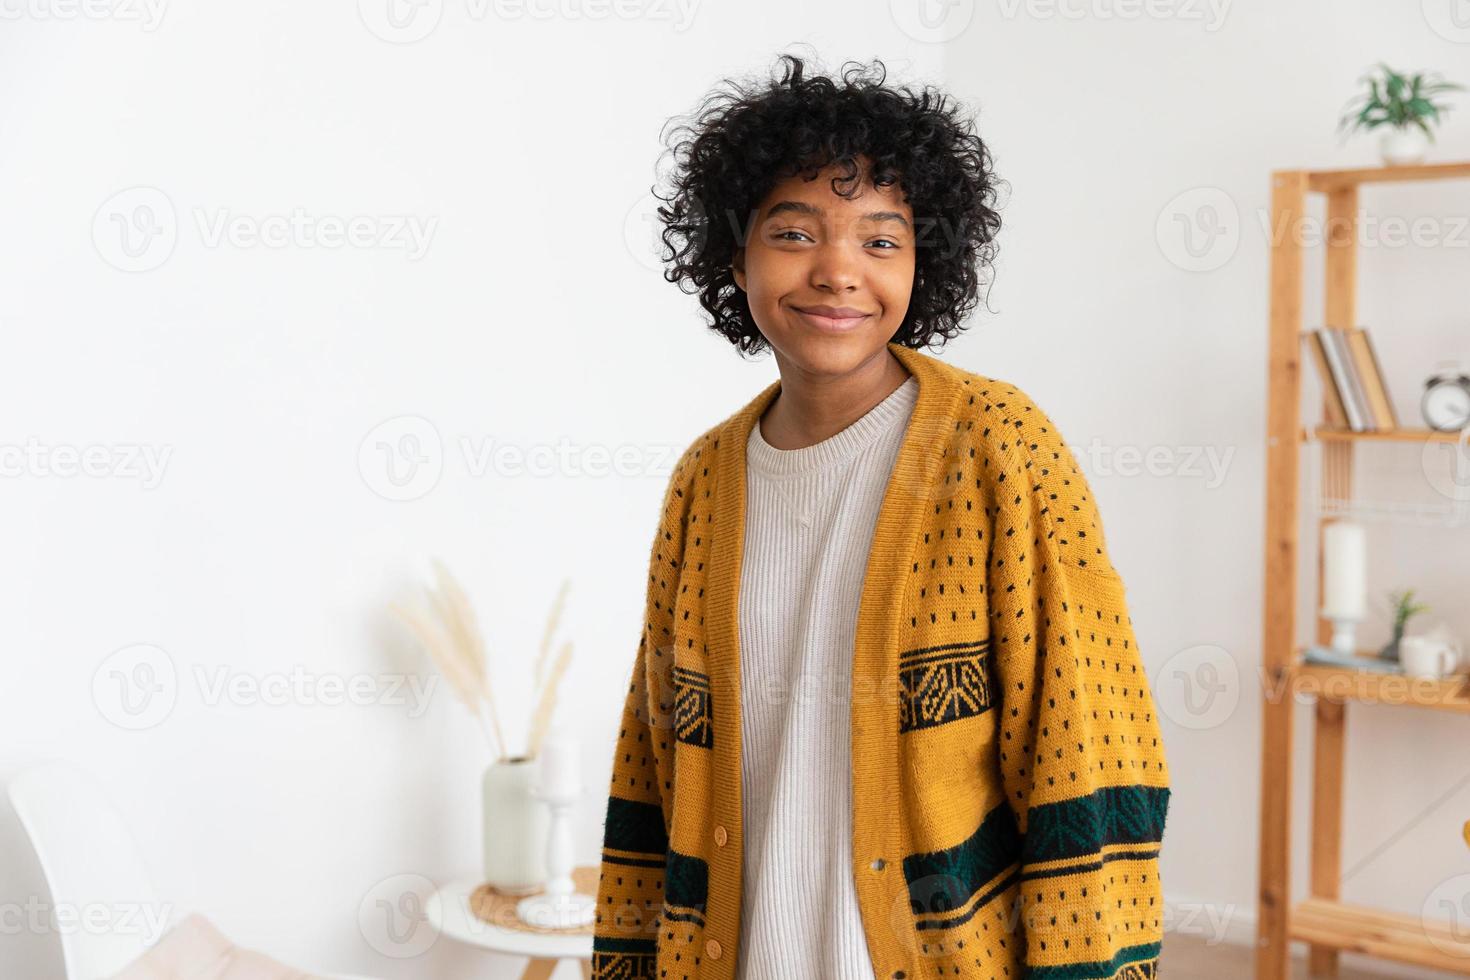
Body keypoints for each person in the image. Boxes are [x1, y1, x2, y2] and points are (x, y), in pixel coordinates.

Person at [592, 53, 1170, 980]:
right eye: (793, 232)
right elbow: (650, 770)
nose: (836, 272)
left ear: (922, 265)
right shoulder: (704, 479)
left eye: (880, 239)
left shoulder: (999, 447)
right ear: (732, 252)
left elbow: (1086, 751)